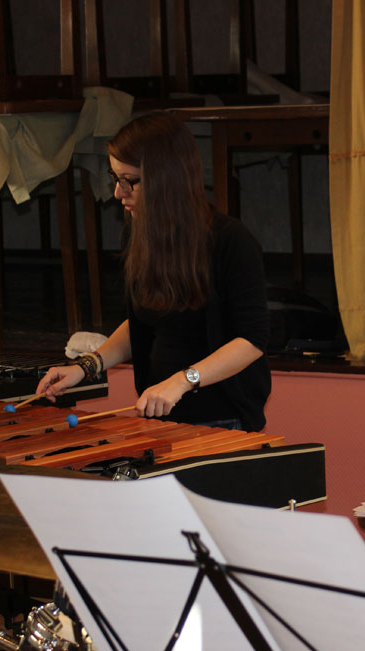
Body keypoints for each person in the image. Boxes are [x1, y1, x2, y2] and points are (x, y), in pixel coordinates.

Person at [35, 112, 272, 432]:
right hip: (161, 418)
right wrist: (86, 367)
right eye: (115, 177)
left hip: (221, 422)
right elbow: (141, 324)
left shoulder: (231, 241)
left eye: (129, 180)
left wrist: (182, 382)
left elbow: (252, 340)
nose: (118, 193)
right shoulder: (141, 235)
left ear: (167, 179)